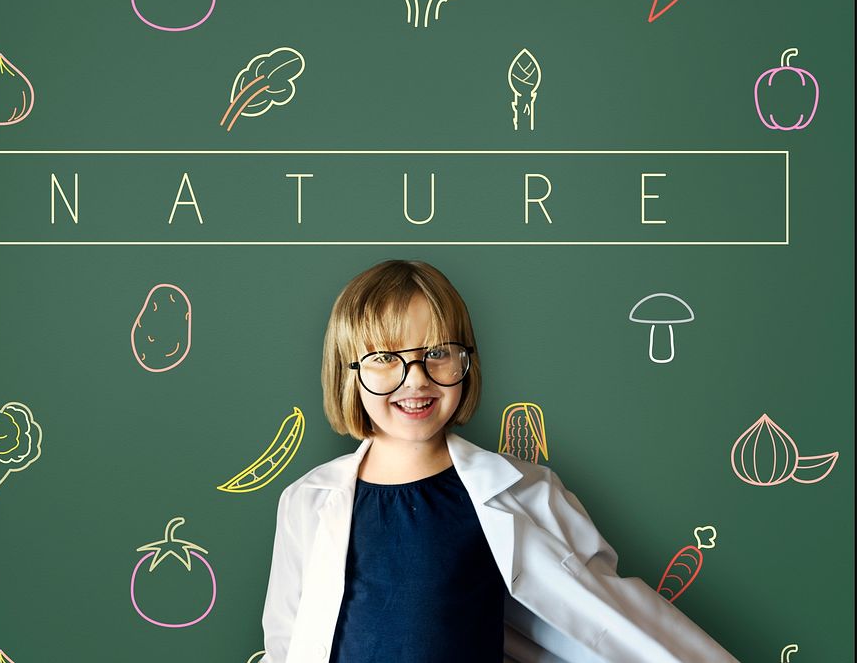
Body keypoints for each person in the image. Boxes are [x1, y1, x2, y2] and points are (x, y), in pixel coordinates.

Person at [260, 259, 739, 663]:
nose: (416, 379)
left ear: (466, 362)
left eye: (438, 353)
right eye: (385, 357)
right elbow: (287, 638)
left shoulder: (524, 493)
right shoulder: (307, 501)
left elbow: (606, 613)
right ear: (347, 372)